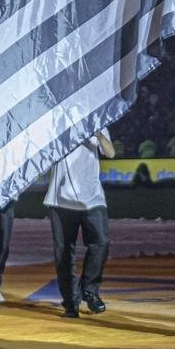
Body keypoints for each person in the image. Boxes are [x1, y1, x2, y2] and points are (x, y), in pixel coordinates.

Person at [45, 129, 116, 318]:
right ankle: (71, 301)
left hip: (92, 197)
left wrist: (99, 135)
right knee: (64, 253)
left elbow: (110, 152)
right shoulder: (57, 123)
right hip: (61, 198)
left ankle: (89, 289)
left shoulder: (97, 121)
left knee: (101, 242)